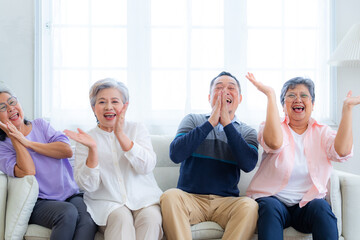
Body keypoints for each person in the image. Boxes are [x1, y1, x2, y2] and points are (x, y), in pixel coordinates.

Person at [246, 72, 360, 240]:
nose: (297, 99)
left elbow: (342, 151)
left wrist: (347, 109)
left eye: (304, 95)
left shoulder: (322, 132)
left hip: (307, 205)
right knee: (269, 209)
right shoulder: (272, 126)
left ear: (312, 104)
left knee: (322, 208)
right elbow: (274, 143)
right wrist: (270, 95)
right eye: (291, 96)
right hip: (274, 201)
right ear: (283, 106)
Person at [160, 71, 259, 240]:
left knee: (249, 206)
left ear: (240, 99)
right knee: (170, 196)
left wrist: (227, 123)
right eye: (219, 88)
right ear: (209, 97)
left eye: (231, 88)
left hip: (226, 202)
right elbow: (176, 154)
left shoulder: (247, 131)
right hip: (190, 199)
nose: (224, 91)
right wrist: (210, 123)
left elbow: (248, 164)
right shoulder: (193, 120)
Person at [64, 78, 163, 240]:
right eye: (102, 102)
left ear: (125, 106)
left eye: (115, 101)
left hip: (144, 199)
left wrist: (121, 136)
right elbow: (88, 185)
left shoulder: (137, 128)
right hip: (107, 202)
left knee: (151, 220)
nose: (109, 107)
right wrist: (93, 149)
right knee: (121, 219)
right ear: (93, 107)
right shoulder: (86, 139)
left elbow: (146, 166)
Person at [0, 85, 97, 240]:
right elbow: (28, 171)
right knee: (67, 213)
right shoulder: (3, 148)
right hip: (39, 202)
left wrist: (28, 143)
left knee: (89, 219)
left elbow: (66, 150)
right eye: (2, 107)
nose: (10, 108)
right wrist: (14, 136)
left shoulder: (40, 125)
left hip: (70, 194)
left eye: (12, 102)